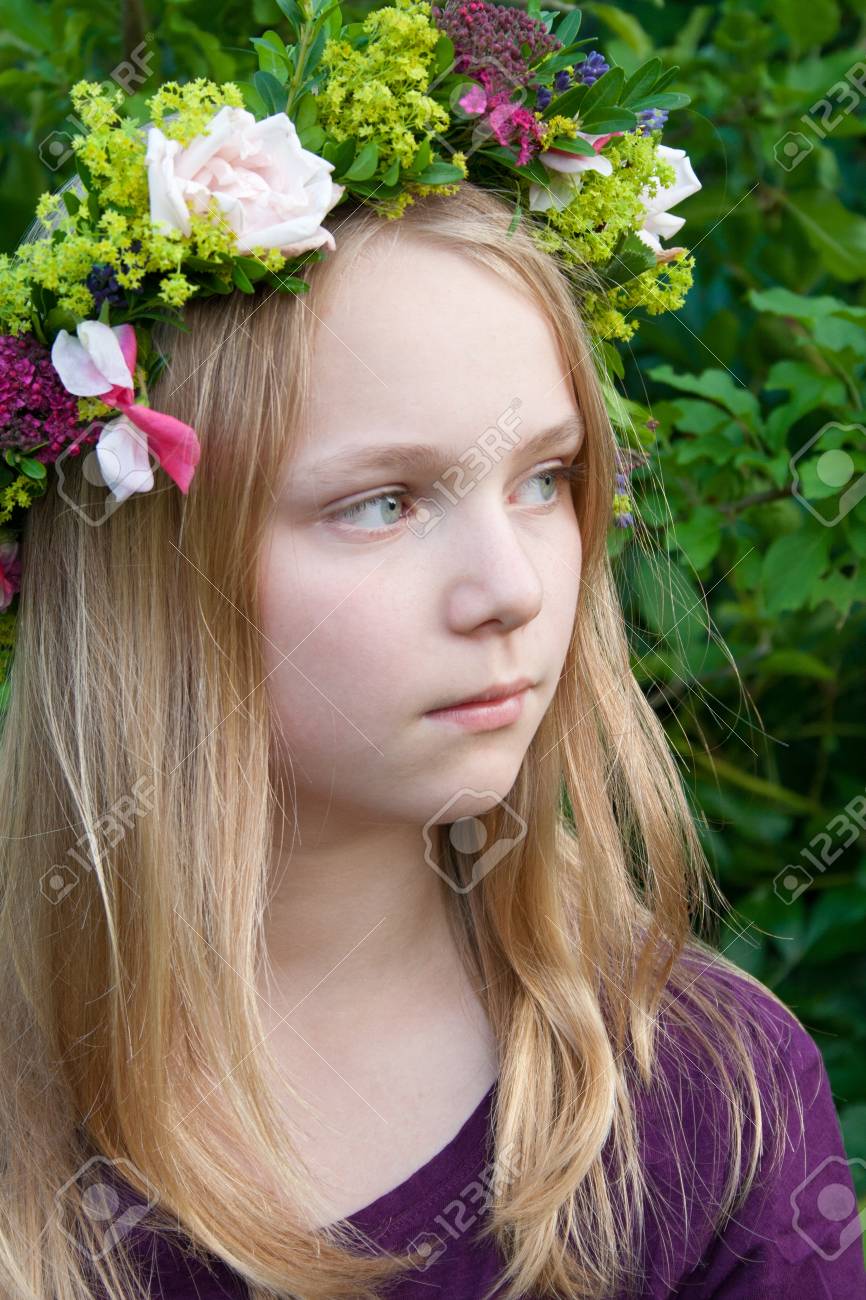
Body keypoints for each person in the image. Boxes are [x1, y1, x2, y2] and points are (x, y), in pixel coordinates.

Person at [1, 180, 864, 1300]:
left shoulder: (698, 1099)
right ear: (147, 568)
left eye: (544, 480)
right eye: (383, 503)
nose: (509, 590)